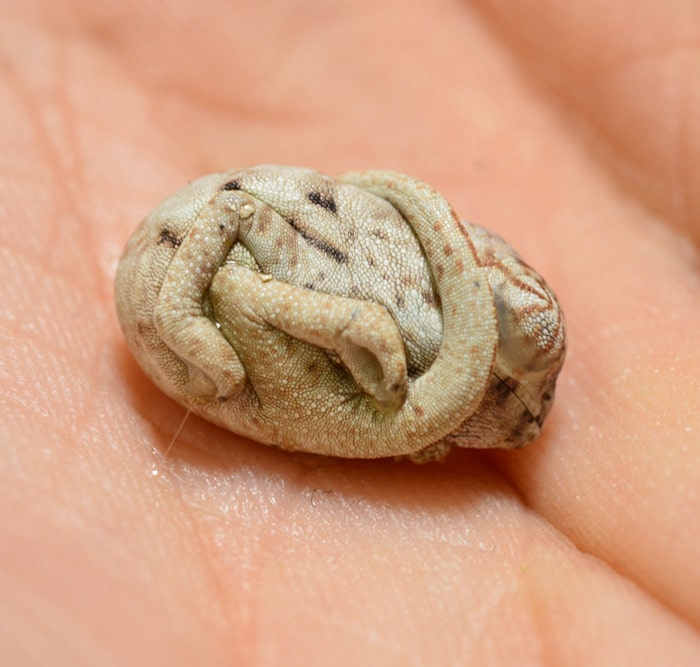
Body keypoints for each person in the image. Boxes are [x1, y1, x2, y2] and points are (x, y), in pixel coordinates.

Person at [2, 1, 698, 663]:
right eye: (480, 378)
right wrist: (186, 314)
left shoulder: (394, 318)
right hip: (185, 265)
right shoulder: (384, 302)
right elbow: (239, 216)